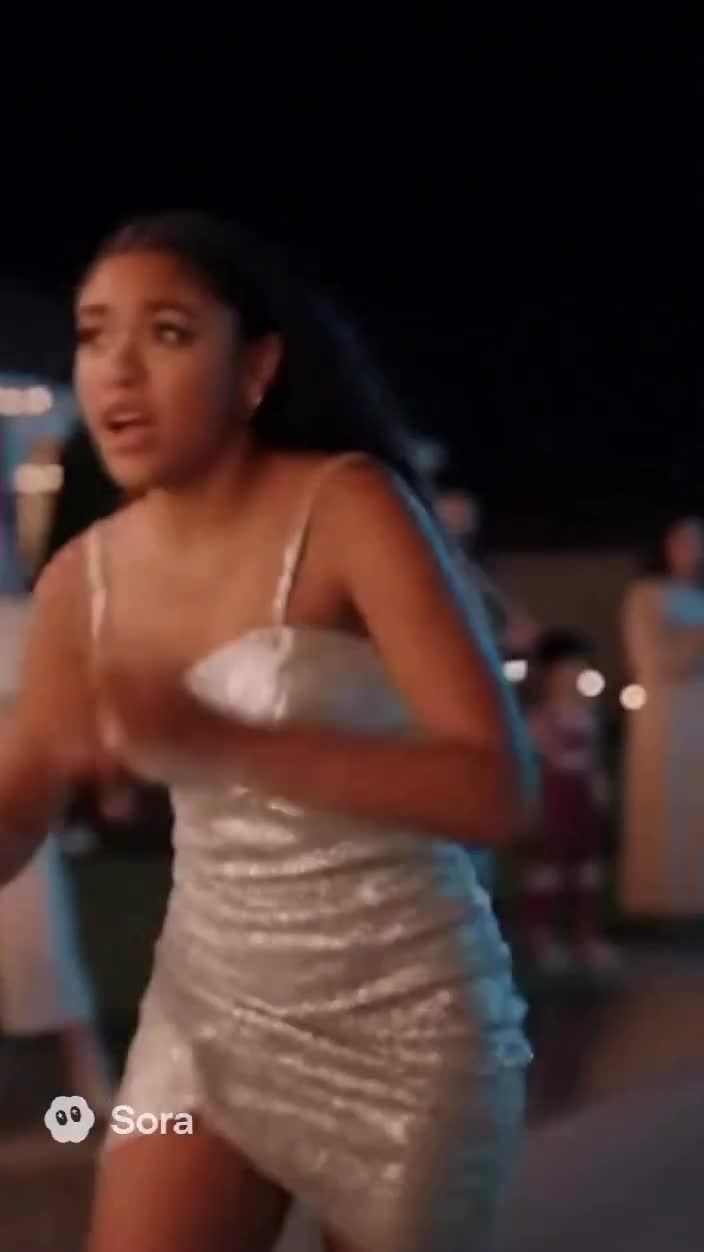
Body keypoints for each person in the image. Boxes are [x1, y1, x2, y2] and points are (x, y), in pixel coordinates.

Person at [0, 212, 534, 1252]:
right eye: (94, 334)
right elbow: (18, 809)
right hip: (205, 1022)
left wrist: (223, 739)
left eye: (165, 332)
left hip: (405, 1032)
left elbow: (495, 788)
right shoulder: (80, 585)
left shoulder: (349, 510)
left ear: (255, 368)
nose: (117, 369)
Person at [0, 594, 113, 1115]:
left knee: (40, 933)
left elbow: (51, 720)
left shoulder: (23, 620)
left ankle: (89, 1075)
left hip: (15, 803)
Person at [520, 629, 619, 976]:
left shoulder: (588, 716)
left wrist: (600, 788)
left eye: (579, 669)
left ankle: (585, 937)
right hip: (555, 795)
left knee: (586, 868)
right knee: (549, 866)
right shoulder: (541, 719)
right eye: (568, 670)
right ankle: (543, 937)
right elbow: (536, 758)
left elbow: (593, 758)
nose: (575, 677)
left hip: (581, 797)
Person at [620, 516, 704, 919]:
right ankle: (661, 903)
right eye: (684, 542)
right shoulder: (647, 596)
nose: (693, 552)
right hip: (669, 719)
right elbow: (654, 658)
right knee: (669, 808)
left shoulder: (698, 596)